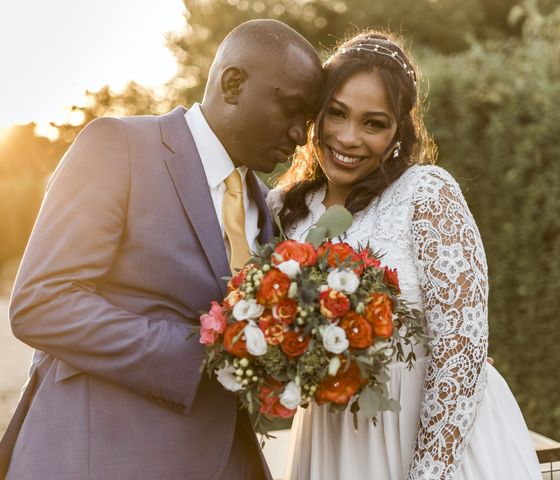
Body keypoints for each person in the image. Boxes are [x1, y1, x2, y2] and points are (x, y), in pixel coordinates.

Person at [0, 19, 322, 480]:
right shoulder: (119, 146)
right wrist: (207, 354)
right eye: (291, 110)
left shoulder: (264, 208)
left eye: (307, 122)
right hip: (102, 455)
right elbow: (41, 303)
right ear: (233, 84)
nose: (299, 136)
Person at [267, 32, 542, 480]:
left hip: (434, 443)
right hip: (332, 444)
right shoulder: (284, 211)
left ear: (399, 130)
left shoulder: (425, 194)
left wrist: (429, 471)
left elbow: (462, 347)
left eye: (373, 123)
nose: (348, 137)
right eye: (336, 113)